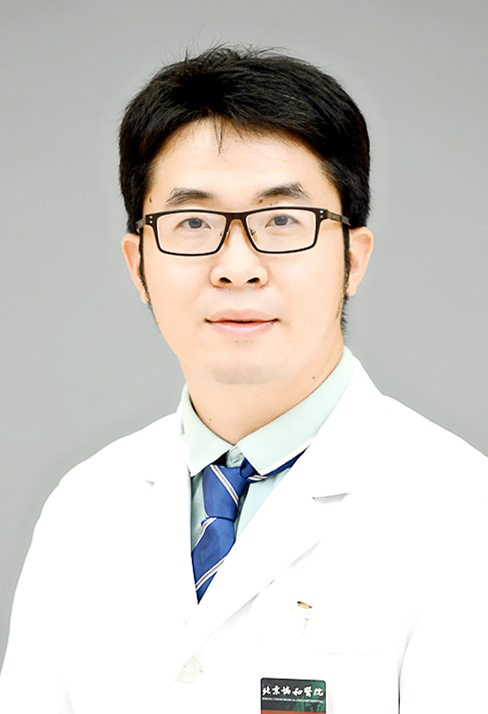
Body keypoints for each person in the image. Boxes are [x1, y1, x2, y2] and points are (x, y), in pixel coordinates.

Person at [0, 45, 486, 714]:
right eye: (193, 222)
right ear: (138, 265)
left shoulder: (461, 512)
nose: (236, 266)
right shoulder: (84, 508)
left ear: (353, 258)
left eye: (282, 220)